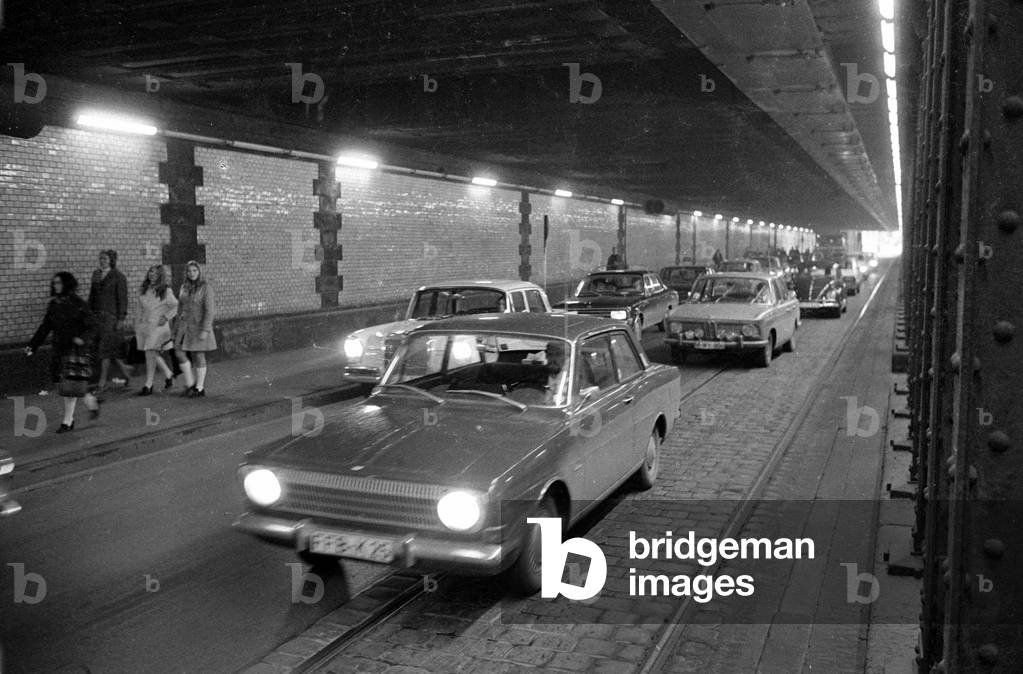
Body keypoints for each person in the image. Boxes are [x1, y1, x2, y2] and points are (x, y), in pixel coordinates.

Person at [25, 272, 100, 432]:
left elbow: (93, 325)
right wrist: (33, 345)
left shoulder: (78, 303)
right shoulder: (54, 304)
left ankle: (67, 421)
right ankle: (90, 400)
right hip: (59, 349)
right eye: (55, 283)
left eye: (59, 283)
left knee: (69, 385)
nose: (56, 285)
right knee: (67, 385)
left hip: (75, 350)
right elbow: (46, 326)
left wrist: (83, 339)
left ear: (67, 284)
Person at [88, 249, 132, 391]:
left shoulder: (119, 277)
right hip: (97, 318)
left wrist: (121, 318)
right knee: (109, 350)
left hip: (111, 318)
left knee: (105, 350)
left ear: (112, 260)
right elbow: (92, 296)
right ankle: (126, 373)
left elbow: (123, 299)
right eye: (100, 258)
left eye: (105, 259)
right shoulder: (96, 274)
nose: (102, 261)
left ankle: (102, 381)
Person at [174, 260, 217, 397]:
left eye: (195, 271)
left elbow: (209, 310)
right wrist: (175, 327)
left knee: (199, 355)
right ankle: (190, 382)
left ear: (199, 272)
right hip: (184, 326)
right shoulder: (184, 287)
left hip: (199, 326)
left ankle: (199, 387)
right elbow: (179, 308)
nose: (192, 273)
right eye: (189, 271)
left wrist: (205, 329)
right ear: (186, 273)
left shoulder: (205, 287)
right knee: (178, 350)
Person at [135, 265, 179, 395]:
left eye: (154, 273)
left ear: (160, 275)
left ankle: (148, 384)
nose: (151, 275)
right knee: (151, 352)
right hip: (145, 326)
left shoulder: (166, 290)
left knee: (150, 351)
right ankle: (168, 374)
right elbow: (138, 310)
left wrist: (166, 317)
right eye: (150, 272)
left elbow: (176, 306)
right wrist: (137, 325)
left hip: (159, 327)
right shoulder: (143, 289)